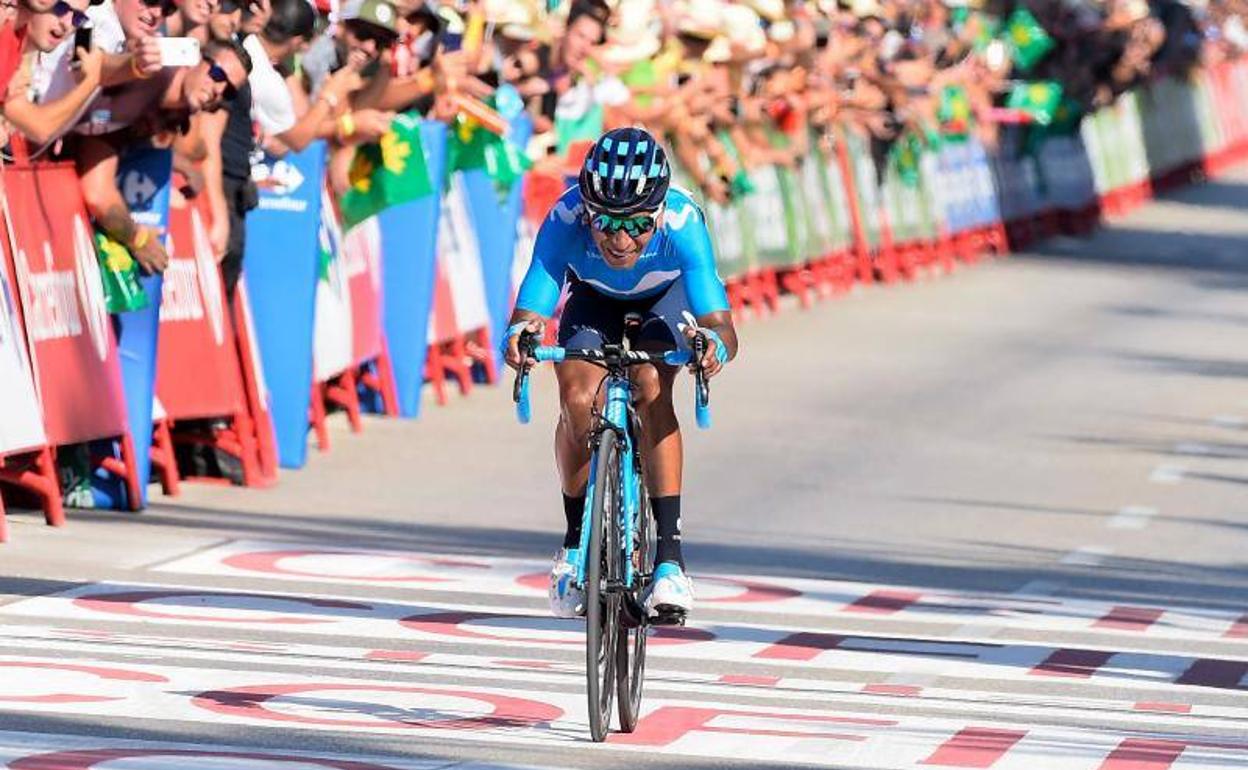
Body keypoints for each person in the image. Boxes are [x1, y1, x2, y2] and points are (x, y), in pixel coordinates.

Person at [503, 126, 739, 620]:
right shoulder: (565, 218)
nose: (620, 238)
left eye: (637, 225)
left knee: (651, 385)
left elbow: (720, 322)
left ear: (657, 214)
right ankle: (572, 548)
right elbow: (535, 299)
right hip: (593, 299)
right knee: (575, 399)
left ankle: (670, 562)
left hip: (664, 298)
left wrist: (711, 346)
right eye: (606, 221)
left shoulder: (683, 222)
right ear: (587, 210)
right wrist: (522, 333)